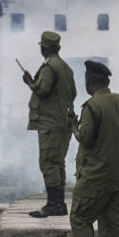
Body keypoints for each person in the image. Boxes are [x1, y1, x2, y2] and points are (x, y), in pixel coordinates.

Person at [65, 61, 119, 237]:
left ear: (90, 82)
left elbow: (87, 138)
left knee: (79, 217)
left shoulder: (92, 106)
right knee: (111, 222)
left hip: (96, 175)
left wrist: (74, 126)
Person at [22, 31, 77, 218]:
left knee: (48, 163)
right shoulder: (65, 68)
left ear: (43, 48)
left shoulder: (49, 67)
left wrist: (31, 83)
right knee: (57, 163)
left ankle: (54, 204)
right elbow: (73, 93)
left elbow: (43, 90)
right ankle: (58, 203)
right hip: (63, 122)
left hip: (50, 123)